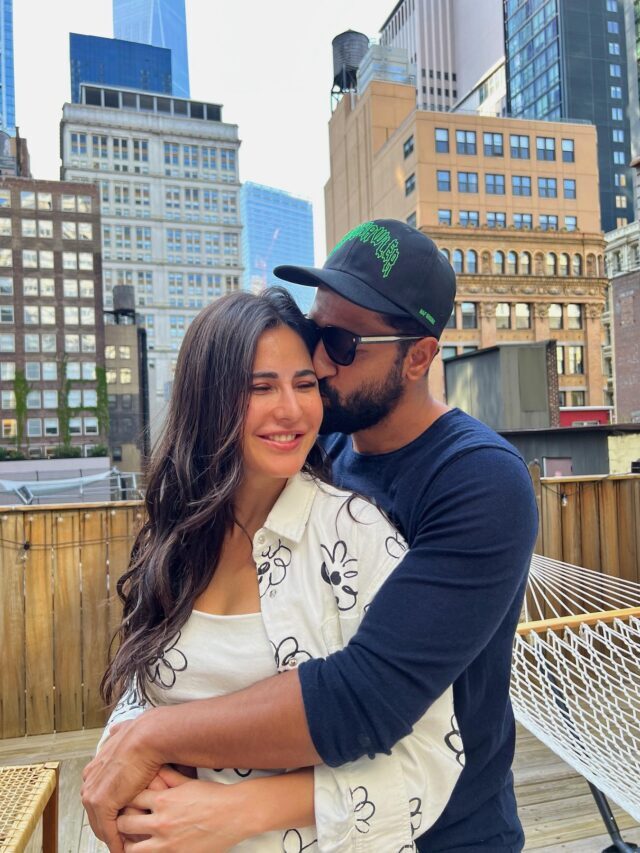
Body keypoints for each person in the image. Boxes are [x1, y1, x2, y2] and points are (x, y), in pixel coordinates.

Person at [82, 219, 539, 853]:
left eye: (345, 343)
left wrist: (156, 739)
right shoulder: (313, 447)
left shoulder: (478, 480)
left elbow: (365, 696)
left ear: (419, 356)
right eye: (316, 330)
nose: (318, 364)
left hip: (445, 827)